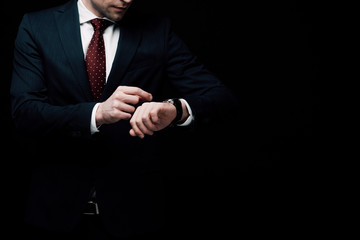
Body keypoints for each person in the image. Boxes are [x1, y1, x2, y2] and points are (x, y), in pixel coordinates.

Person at [10, 0, 239, 239]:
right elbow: (25, 113)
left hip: (135, 214)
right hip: (54, 211)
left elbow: (221, 98)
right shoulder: (37, 25)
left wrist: (175, 110)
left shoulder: (156, 29)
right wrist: (97, 113)